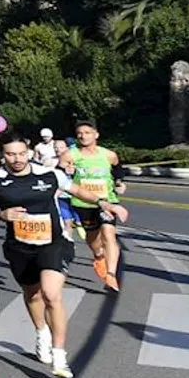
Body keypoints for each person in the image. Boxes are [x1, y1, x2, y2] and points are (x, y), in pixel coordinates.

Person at [0, 133, 81, 378]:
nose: (17, 158)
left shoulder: (49, 174)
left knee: (52, 295)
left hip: (53, 243)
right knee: (32, 294)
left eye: (21, 153)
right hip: (19, 247)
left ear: (29, 152)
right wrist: (1, 215)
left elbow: (75, 190)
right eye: (11, 154)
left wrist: (104, 202)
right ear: (2, 154)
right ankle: (41, 332)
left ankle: (60, 355)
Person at [60, 122, 129, 293]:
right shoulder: (70, 155)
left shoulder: (108, 154)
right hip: (83, 203)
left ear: (96, 135)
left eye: (87, 132)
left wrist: (120, 183)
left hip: (108, 201)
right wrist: (66, 171)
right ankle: (99, 256)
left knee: (108, 234)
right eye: (80, 133)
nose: (83, 136)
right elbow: (58, 176)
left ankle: (111, 274)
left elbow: (118, 169)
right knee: (93, 240)